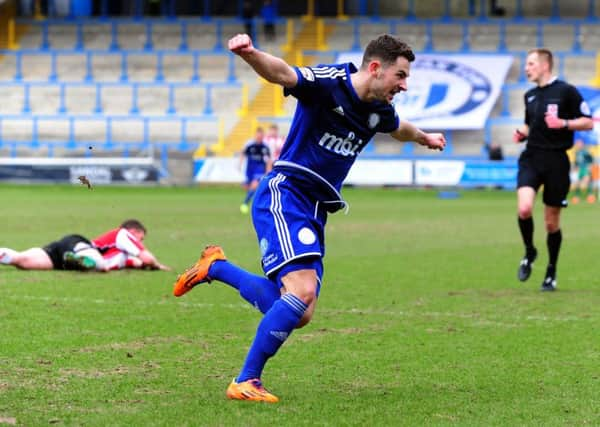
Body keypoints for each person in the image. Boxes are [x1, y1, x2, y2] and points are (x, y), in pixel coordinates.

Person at [172, 33, 445, 403]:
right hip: (286, 194)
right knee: (301, 293)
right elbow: (284, 74)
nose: (405, 85)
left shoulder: (380, 110)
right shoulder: (329, 83)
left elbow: (399, 128)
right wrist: (250, 54)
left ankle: (216, 267)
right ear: (376, 68)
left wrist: (425, 137)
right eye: (400, 75)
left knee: (299, 312)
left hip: (316, 208)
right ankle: (245, 380)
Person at [513, 48, 593, 292]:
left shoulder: (566, 91)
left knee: (551, 223)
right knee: (524, 208)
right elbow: (528, 124)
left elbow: (588, 121)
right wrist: (521, 133)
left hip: (557, 161)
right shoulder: (529, 95)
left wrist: (564, 123)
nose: (527, 68)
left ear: (545, 65)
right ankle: (529, 251)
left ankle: (551, 270)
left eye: (530, 63)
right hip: (532, 157)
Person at [0, 219, 170, 272]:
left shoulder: (123, 255)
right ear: (133, 231)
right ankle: (78, 260)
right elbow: (147, 259)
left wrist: (148, 267)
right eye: (141, 238)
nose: (141, 243)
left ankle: (74, 261)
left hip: (64, 252)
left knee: (21, 261)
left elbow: (138, 263)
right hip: (80, 246)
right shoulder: (122, 233)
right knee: (100, 265)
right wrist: (158, 265)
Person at [239, 127, 272, 214]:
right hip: (250, 170)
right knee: (250, 188)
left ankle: (245, 204)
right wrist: (240, 163)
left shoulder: (265, 147)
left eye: (261, 135)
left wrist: (268, 171)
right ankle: (259, 205)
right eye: (258, 135)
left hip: (260, 170)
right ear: (255, 135)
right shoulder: (250, 146)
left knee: (255, 185)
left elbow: (269, 160)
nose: (259, 137)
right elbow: (243, 153)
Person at [570, 139, 595, 204]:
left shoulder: (585, 152)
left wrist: (590, 167)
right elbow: (576, 162)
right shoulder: (577, 152)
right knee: (578, 183)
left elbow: (591, 160)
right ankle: (577, 196)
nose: (578, 145)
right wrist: (575, 167)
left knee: (587, 182)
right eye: (577, 144)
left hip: (585, 168)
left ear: (582, 144)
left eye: (579, 144)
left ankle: (590, 196)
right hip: (579, 169)